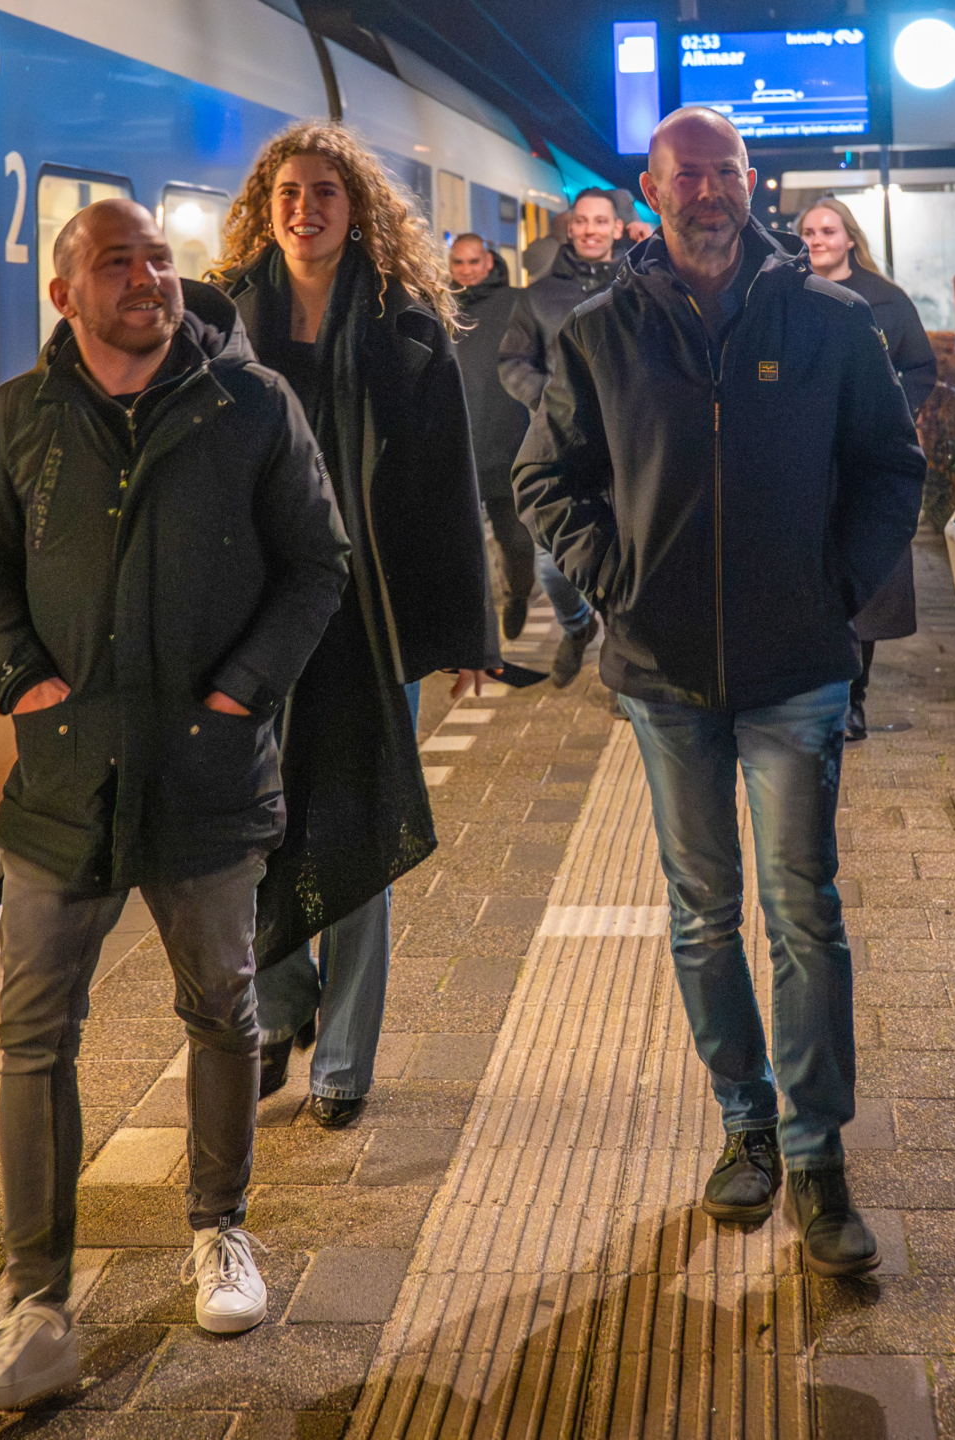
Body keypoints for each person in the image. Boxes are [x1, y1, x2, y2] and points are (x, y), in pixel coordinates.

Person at [0, 199, 348, 1409]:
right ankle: (35, 1299)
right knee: (31, 1033)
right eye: (119, 263)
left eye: (158, 259)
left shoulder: (251, 405)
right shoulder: (22, 416)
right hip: (66, 775)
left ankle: (219, 1226)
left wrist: (242, 696)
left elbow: (317, 564)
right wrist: (22, 678)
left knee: (220, 1006)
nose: (149, 279)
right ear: (65, 294)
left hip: (207, 773)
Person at [514, 107, 924, 1277]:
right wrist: (616, 583)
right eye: (686, 173)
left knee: (802, 911)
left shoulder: (831, 322)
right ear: (652, 189)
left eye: (726, 171)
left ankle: (816, 1154)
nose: (708, 190)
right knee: (701, 914)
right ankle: (743, 1122)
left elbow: (891, 468)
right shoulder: (600, 332)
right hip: (663, 677)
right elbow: (545, 479)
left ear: (753, 184)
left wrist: (833, 590)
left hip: (795, 669)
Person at [217, 122, 497, 1129]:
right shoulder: (220, 319)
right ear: (266, 204)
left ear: (358, 207)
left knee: (359, 829)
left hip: (367, 620)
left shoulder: (407, 328)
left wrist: (468, 631)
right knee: (258, 834)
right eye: (288, 191)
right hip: (252, 618)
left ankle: (342, 1062)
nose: (305, 207)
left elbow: (444, 490)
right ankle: (280, 1008)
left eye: (325, 190)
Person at [798, 197, 937, 742]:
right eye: (807, 231)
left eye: (827, 230)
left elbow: (921, 367)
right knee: (807, 570)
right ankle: (814, 687)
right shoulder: (786, 295)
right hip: (804, 458)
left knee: (865, 578)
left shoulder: (887, 301)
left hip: (864, 460)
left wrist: (889, 411)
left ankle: (854, 699)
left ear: (849, 237)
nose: (816, 240)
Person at [498, 186, 626, 686]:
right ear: (570, 228)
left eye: (601, 221)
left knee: (625, 550)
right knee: (552, 564)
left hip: (625, 441)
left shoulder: (637, 284)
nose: (591, 230)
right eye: (583, 221)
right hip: (561, 442)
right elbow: (513, 361)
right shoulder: (540, 295)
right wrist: (546, 403)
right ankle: (576, 627)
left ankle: (620, 662)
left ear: (617, 228)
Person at [451, 232, 591, 650]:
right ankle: (474, 622)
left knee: (516, 538)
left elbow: (523, 359)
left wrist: (541, 405)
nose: (466, 271)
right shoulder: (439, 304)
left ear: (490, 261)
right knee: (460, 540)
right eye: (458, 263)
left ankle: (516, 592)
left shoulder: (518, 299)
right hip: (461, 437)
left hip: (509, 436)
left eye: (474, 262)